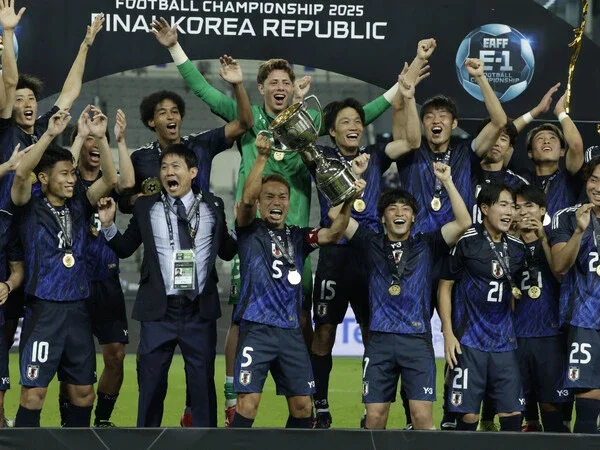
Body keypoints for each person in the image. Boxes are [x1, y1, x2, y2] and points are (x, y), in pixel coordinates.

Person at [151, 17, 412, 425]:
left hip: (298, 243)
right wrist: (174, 48)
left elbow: (360, 114)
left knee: (301, 319)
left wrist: (400, 86)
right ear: (262, 88)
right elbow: (203, 90)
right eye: (272, 82)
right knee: (242, 318)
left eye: (285, 83)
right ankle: (232, 398)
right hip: (255, 238)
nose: (280, 87)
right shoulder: (249, 118)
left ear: (292, 89)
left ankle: (303, 398)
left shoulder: (305, 125)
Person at [307, 67, 422, 428]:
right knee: (324, 332)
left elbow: (411, 142)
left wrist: (405, 94)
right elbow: (298, 136)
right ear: (332, 130)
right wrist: (297, 99)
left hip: (372, 255)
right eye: (345, 121)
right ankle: (320, 405)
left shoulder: (374, 154)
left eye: (358, 121)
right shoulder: (321, 157)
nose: (354, 126)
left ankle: (377, 405)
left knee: (376, 335)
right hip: (335, 254)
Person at [230, 134, 363, 428]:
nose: (276, 202)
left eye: (282, 197)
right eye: (269, 197)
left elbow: (334, 233)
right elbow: (247, 200)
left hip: (290, 331)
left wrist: (348, 201)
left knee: (303, 407)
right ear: (260, 204)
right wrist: (262, 157)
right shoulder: (249, 230)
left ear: (289, 203)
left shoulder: (299, 236)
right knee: (248, 404)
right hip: (257, 329)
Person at [99, 144, 237, 428]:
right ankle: (147, 443)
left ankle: (205, 443)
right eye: (164, 167)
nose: (168, 172)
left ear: (193, 172)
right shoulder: (145, 206)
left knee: (202, 388)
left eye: (175, 166)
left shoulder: (213, 206)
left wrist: (242, 225)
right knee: (150, 387)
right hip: (158, 311)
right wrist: (109, 225)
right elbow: (124, 248)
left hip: (199, 311)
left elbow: (226, 251)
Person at [0, 3, 105, 371]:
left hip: (34, 227)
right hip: (6, 226)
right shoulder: (5, 131)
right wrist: (8, 33)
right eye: (20, 100)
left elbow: (71, 90)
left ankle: (41, 385)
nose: (27, 103)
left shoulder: (45, 128)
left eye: (32, 99)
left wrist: (86, 44)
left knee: (30, 307)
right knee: (5, 324)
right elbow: (9, 83)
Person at [341, 159, 470, 430]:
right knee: (375, 418)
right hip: (380, 340)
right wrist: (351, 183)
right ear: (382, 217)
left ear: (413, 217)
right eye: (392, 208)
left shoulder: (427, 244)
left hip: (416, 340)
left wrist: (447, 182)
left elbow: (464, 222)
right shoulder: (369, 242)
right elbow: (335, 217)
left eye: (406, 209)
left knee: (421, 418)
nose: (399, 213)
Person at [11, 110, 118, 427]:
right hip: (44, 310)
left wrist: (100, 138)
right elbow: (21, 174)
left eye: (73, 173)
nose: (72, 179)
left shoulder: (79, 203)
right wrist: (49, 135)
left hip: (78, 310)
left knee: (84, 393)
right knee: (34, 394)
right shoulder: (28, 205)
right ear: (44, 179)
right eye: (64, 174)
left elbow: (111, 180)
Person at [55, 106, 135, 427]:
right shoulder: (65, 185)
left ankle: (101, 421)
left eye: (96, 140)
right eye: (86, 138)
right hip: (73, 282)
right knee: (72, 361)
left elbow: (124, 181)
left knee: (116, 356)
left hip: (106, 281)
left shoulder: (108, 180)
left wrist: (110, 139)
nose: (93, 144)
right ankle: (69, 423)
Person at [438, 183, 526, 432]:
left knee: (512, 413)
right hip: (469, 340)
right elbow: (445, 286)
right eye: (503, 204)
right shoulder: (466, 241)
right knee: (467, 415)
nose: (509, 212)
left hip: (504, 342)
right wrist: (448, 333)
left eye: (512, 206)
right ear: (485, 208)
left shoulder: (517, 248)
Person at [511, 184, 570, 433]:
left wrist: (543, 238)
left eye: (530, 206)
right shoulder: (507, 245)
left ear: (543, 210)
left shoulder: (556, 239)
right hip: (516, 334)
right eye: (517, 207)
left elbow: (560, 274)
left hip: (549, 333)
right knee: (517, 405)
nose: (524, 212)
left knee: (551, 404)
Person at [549, 156, 600, 434]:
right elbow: (559, 266)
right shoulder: (567, 217)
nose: (598, 187)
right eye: (594, 180)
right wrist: (580, 232)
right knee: (588, 398)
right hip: (584, 320)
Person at [515, 85, 584, 218]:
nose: (546, 141)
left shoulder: (569, 179)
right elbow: (503, 136)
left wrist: (560, 112)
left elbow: (576, 145)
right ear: (530, 153)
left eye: (552, 138)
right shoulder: (520, 179)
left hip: (562, 232)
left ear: (562, 152)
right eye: (540, 139)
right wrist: (536, 111)